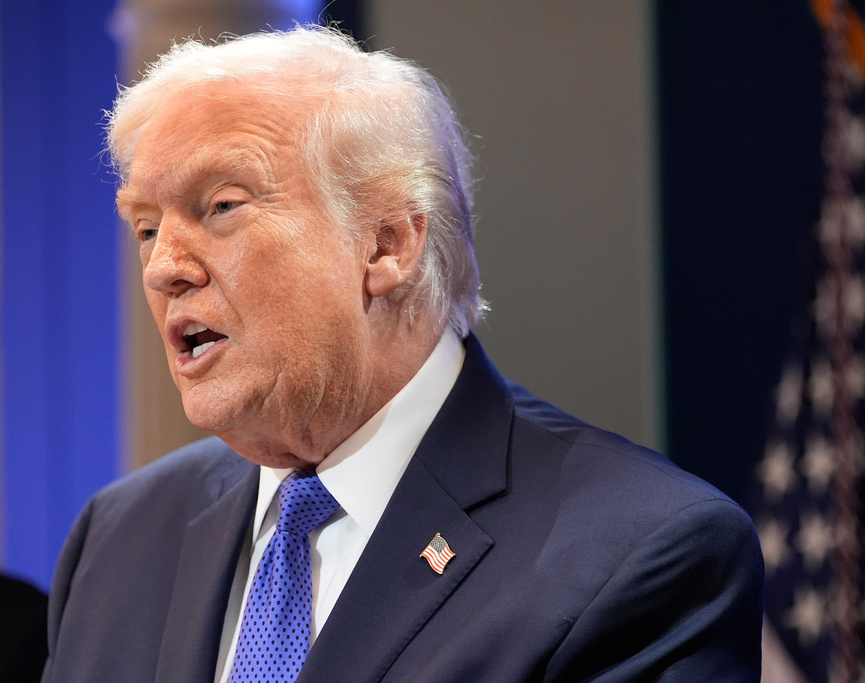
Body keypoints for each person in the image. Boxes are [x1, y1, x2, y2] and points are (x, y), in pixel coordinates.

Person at [42, 26, 763, 682]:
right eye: (144, 227)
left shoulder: (640, 552)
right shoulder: (118, 537)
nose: (165, 266)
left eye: (222, 206)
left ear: (387, 243)